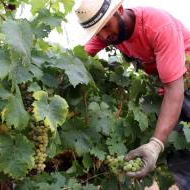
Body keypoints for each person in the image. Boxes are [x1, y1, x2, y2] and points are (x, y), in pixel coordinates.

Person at [74, 0, 190, 189]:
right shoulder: (109, 34)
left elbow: (173, 89)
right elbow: (78, 58)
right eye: (97, 32)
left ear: (119, 10)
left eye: (105, 26)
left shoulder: (157, 26)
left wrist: (155, 144)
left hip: (184, 82)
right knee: (181, 159)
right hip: (168, 89)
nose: (104, 35)